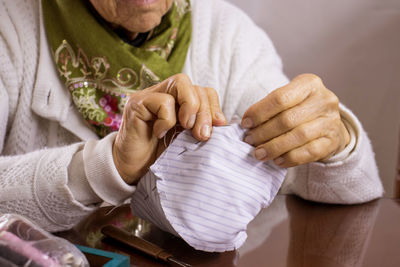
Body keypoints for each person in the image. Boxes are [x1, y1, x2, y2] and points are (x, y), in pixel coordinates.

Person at [0, 0, 382, 233]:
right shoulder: (10, 26)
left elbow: (350, 189)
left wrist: (335, 140)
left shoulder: (228, 35)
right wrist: (108, 165)